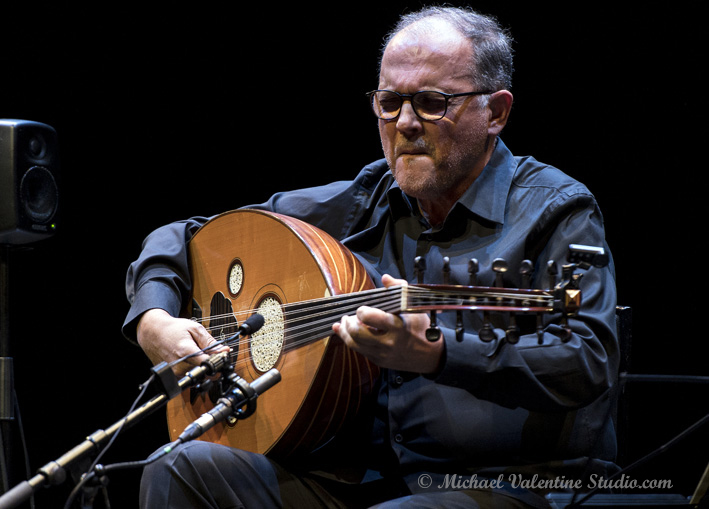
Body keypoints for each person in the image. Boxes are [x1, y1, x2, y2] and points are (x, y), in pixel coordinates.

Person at [124, 5, 619, 508]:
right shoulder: (363, 199)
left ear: (495, 112)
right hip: (357, 481)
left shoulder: (556, 210)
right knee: (179, 466)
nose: (404, 123)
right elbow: (185, 236)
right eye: (389, 102)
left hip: (510, 484)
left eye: (430, 102)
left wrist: (439, 354)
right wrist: (153, 319)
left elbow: (589, 359)